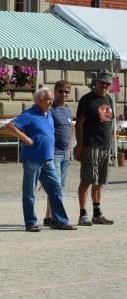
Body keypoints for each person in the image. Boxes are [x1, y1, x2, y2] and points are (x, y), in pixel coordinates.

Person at [7, 88, 76, 232]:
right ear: (39, 101)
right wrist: (25, 138)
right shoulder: (29, 114)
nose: (51, 101)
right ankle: (31, 222)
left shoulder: (49, 114)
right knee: (29, 193)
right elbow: (10, 126)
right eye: (48, 99)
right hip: (32, 160)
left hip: (48, 160)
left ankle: (60, 221)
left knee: (56, 189)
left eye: (51, 99)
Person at [75, 70, 115, 226]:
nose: (104, 85)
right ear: (96, 82)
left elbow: (108, 123)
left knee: (100, 181)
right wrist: (79, 146)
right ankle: (82, 214)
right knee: (87, 180)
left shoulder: (109, 99)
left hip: (105, 146)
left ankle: (97, 213)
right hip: (90, 145)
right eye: (102, 82)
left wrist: (110, 142)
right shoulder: (87, 99)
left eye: (107, 83)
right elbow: (79, 124)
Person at [44, 80, 73, 226]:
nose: (64, 94)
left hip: (65, 153)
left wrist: (70, 149)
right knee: (55, 186)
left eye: (66, 91)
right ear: (55, 92)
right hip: (54, 153)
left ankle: (48, 216)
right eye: (61, 91)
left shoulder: (67, 109)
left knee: (60, 185)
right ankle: (57, 218)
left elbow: (69, 130)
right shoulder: (51, 109)